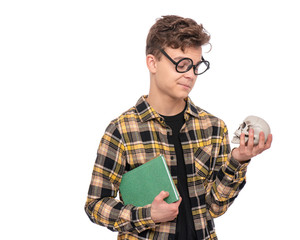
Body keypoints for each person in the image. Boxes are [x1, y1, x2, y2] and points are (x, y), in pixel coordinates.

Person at [84, 15, 272, 240]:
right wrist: (147, 215)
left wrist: (238, 160)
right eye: (181, 64)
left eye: (196, 66)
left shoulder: (213, 127)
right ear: (152, 63)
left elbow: (215, 207)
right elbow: (95, 205)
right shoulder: (122, 130)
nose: (191, 75)